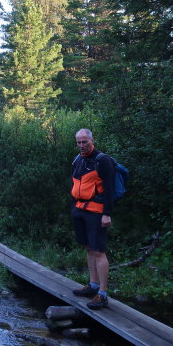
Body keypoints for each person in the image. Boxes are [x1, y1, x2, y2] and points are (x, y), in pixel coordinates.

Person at [70, 128, 115, 309]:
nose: (82, 145)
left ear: (92, 140)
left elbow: (110, 189)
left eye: (84, 142)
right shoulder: (78, 160)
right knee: (88, 248)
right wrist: (74, 207)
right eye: (79, 142)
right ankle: (93, 285)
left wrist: (106, 213)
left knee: (98, 251)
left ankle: (102, 294)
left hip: (97, 212)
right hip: (80, 210)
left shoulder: (102, 160)